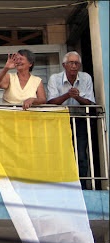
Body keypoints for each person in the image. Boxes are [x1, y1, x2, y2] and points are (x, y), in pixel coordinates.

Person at [46, 51, 96, 189]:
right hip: (59, 121)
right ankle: (63, 186)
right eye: (71, 63)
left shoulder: (86, 78)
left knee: (81, 155)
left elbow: (90, 103)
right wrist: (68, 95)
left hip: (80, 121)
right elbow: (50, 102)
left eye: (77, 63)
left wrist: (77, 97)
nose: (74, 66)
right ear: (64, 65)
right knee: (61, 155)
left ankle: (82, 187)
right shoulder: (54, 78)